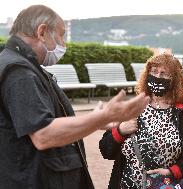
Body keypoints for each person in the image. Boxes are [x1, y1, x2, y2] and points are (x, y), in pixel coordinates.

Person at [0, 5, 149, 189]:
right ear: (42, 31)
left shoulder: (21, 66)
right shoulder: (20, 72)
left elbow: (41, 120)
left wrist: (95, 120)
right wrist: (103, 116)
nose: (64, 43)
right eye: (61, 35)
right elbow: (43, 135)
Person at [99, 54, 183, 189]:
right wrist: (121, 130)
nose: (158, 77)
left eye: (164, 74)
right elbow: (106, 150)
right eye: (154, 72)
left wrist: (173, 171)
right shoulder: (133, 106)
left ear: (175, 80)